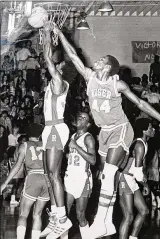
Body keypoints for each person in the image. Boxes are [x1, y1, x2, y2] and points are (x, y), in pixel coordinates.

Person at [53, 24, 160, 238]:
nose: (98, 60)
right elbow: (74, 56)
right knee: (106, 177)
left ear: (108, 67)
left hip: (121, 129)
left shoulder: (116, 84)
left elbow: (140, 103)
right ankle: (109, 222)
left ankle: (101, 223)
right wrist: (60, 34)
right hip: (104, 132)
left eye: (102, 59)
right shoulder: (90, 76)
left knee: (110, 172)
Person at [40, 22, 72, 239]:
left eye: (55, 64)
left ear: (59, 67)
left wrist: (46, 35)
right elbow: (48, 61)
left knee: (54, 174)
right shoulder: (55, 81)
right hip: (49, 129)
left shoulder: (59, 81)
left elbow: (47, 60)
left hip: (55, 128)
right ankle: (55, 217)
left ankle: (62, 219)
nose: (52, 66)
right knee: (48, 175)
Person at [1, 123, 49, 239]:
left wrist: (5, 183)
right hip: (47, 179)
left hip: (33, 177)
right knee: (37, 214)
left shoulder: (25, 145)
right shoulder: (46, 145)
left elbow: (17, 166)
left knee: (23, 214)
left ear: (28, 134)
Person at [118, 118, 154, 239]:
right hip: (124, 178)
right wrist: (146, 186)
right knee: (128, 216)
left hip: (131, 178)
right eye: (150, 127)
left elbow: (140, 170)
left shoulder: (145, 144)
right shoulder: (139, 145)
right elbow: (138, 172)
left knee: (144, 211)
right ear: (144, 130)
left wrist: (144, 183)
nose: (153, 129)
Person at [64, 112, 96, 239]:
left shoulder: (88, 138)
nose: (79, 118)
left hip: (82, 179)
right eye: (79, 116)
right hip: (70, 177)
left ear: (88, 124)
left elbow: (93, 160)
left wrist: (76, 147)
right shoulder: (73, 136)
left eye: (84, 118)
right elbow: (72, 157)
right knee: (64, 213)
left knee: (80, 215)